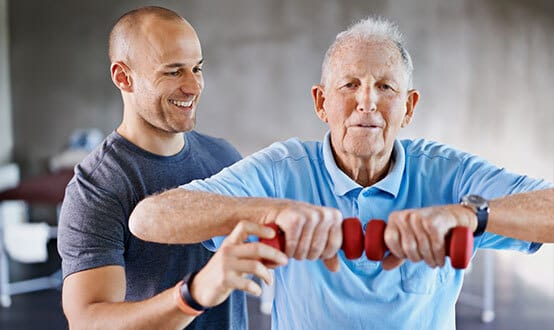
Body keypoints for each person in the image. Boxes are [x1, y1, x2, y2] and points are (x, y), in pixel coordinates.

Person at [129, 17, 554, 329]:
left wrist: (469, 215)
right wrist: (272, 211)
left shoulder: (450, 174)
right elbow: (148, 219)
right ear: (321, 103)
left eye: (386, 87)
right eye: (349, 85)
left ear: (408, 107)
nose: (367, 102)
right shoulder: (283, 170)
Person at [57, 6, 288, 330]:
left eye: (197, 68)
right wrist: (193, 294)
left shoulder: (224, 157)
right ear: (124, 77)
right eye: (173, 71)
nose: (194, 86)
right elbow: (87, 321)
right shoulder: (96, 187)